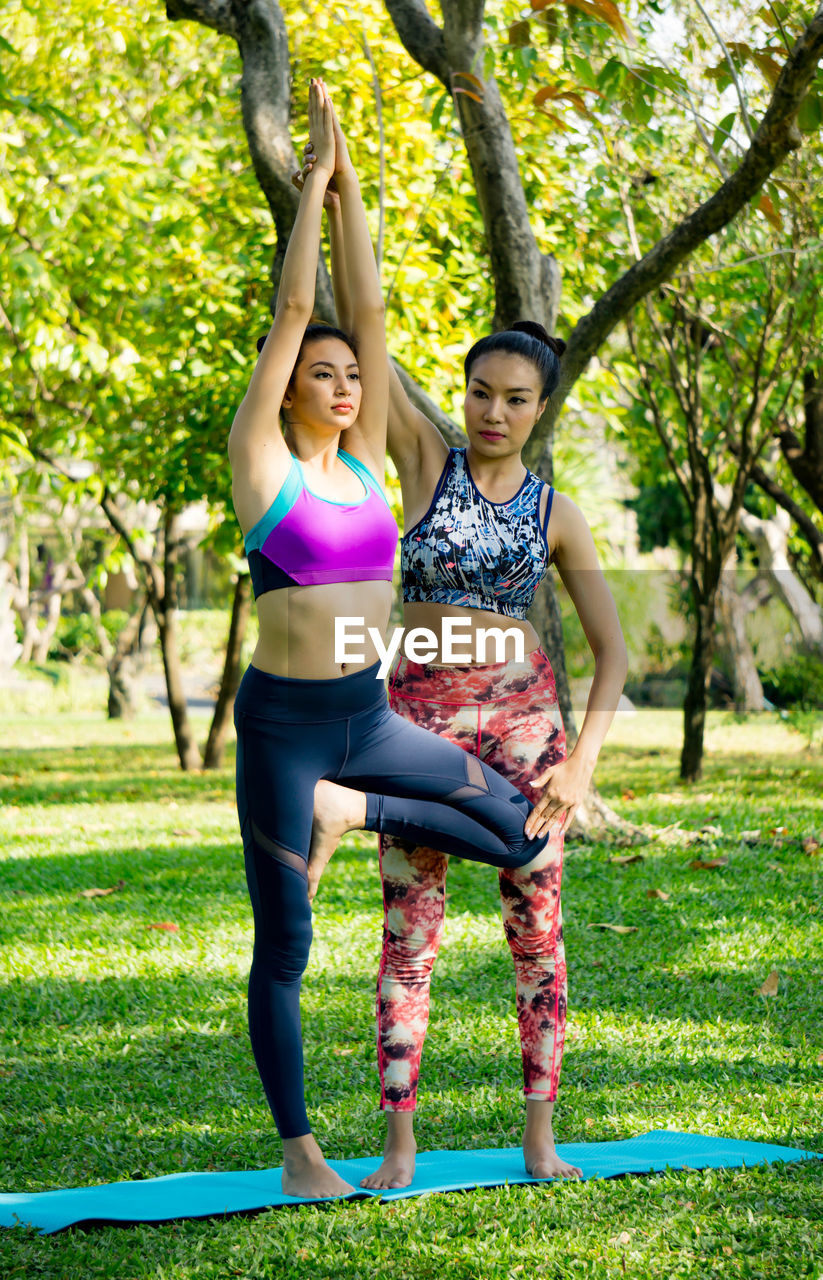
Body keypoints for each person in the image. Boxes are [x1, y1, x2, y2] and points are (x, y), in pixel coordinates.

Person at [229, 80, 558, 1201]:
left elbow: (365, 317)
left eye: (350, 374)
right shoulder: (264, 466)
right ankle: (300, 1150)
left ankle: (352, 807)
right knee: (287, 943)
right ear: (288, 394)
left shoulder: (370, 461)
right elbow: (298, 320)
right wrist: (308, 192)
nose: (342, 379)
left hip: (366, 720)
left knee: (517, 829)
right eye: (321, 374)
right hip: (281, 724)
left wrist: (354, 181)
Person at [297, 120, 628, 1191]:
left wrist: (579, 762)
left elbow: (613, 656)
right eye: (480, 390)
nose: (491, 410)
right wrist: (342, 194)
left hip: (525, 730)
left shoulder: (559, 514)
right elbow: (370, 316)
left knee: (537, 930)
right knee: (410, 931)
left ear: (540, 408)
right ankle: (398, 1145)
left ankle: (539, 1138)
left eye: (513, 397)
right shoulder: (424, 458)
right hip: (419, 721)